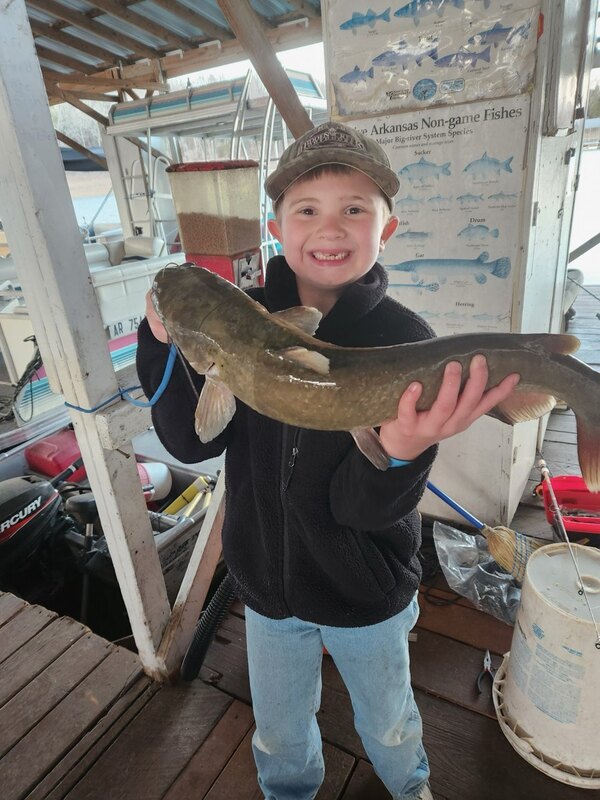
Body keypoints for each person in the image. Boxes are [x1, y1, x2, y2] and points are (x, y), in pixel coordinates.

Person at [137, 121, 520, 800]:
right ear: (277, 225)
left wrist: (401, 452)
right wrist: (162, 340)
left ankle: (410, 789)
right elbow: (191, 442)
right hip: (266, 589)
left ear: (387, 228)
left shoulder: (406, 341)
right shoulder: (240, 315)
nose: (330, 227)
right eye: (307, 210)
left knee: (391, 723)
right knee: (280, 733)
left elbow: (356, 509)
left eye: (354, 209)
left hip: (365, 591)